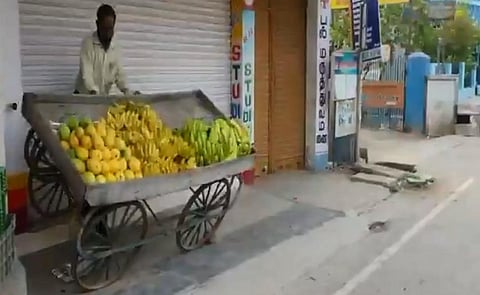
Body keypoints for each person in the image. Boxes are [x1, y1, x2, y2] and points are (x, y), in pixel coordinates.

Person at [74, 4, 137, 95]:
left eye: (110, 29)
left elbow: (119, 74)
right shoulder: (88, 43)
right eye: (104, 29)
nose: (108, 34)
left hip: (102, 97)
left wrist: (128, 91)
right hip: (84, 95)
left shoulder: (116, 46)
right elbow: (87, 74)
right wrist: (93, 92)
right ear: (97, 24)